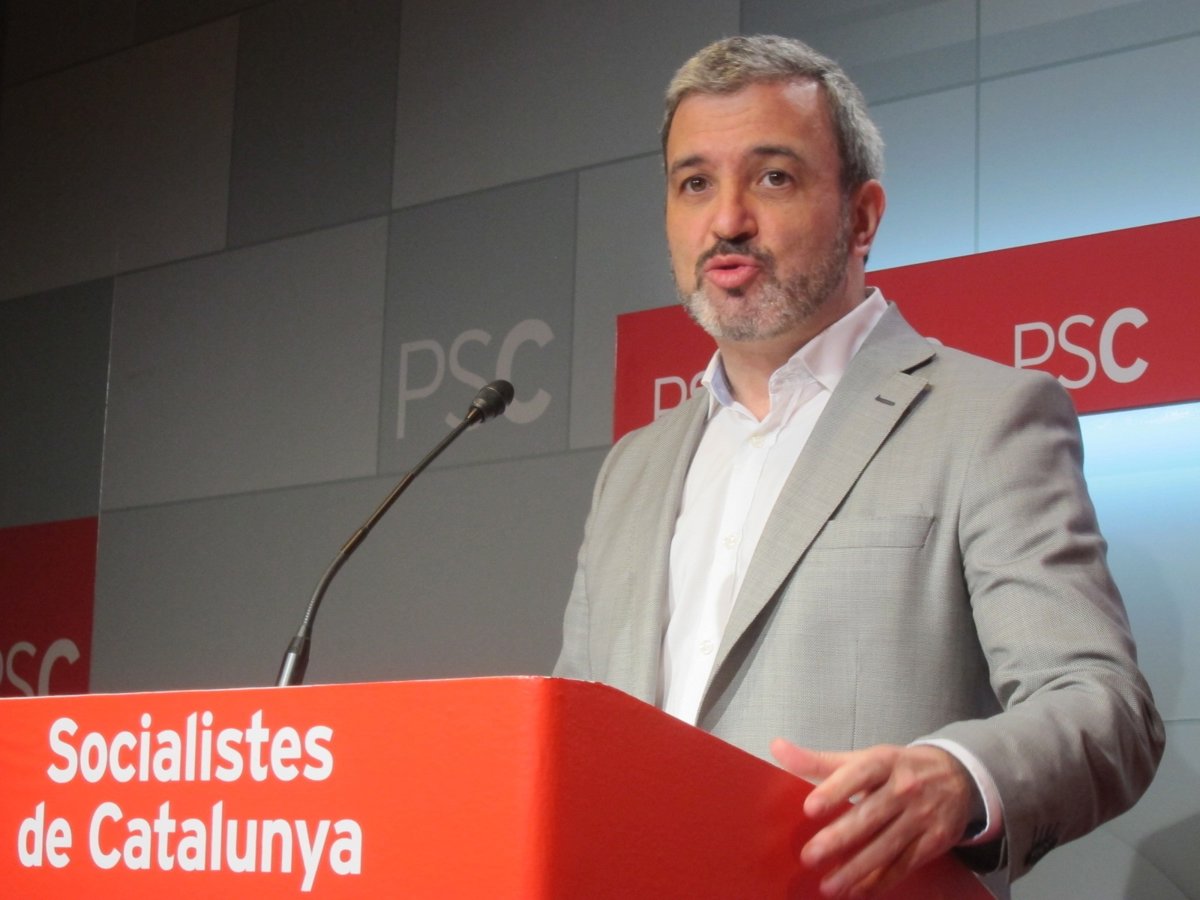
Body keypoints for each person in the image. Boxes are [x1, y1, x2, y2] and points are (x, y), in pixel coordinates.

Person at [553, 34, 1163, 897]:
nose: (727, 220)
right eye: (695, 183)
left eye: (773, 177)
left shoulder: (985, 418)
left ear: (862, 216)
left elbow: (1104, 705)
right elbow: (574, 732)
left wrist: (960, 776)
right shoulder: (633, 468)